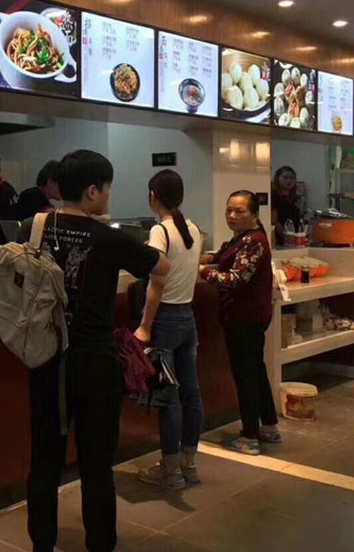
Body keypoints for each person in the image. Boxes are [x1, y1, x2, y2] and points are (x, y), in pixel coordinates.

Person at [24, 150, 169, 552]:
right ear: (92, 191)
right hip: (95, 363)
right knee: (96, 465)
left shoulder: (34, 227)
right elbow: (162, 267)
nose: (108, 195)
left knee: (44, 460)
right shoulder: (110, 238)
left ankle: (42, 545)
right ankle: (100, 544)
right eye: (107, 188)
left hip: (46, 359)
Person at [134, 170, 204, 490]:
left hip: (165, 320)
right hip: (188, 317)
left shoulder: (160, 231)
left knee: (169, 399)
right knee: (192, 394)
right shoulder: (193, 229)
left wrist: (144, 326)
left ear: (153, 197)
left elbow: (157, 283)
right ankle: (189, 464)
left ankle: (170, 470)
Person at [201, 190, 279, 456]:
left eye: (239, 211)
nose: (232, 216)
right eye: (229, 210)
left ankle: (249, 437)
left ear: (254, 215)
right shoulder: (241, 238)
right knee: (256, 371)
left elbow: (235, 279)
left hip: (245, 318)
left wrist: (203, 272)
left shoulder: (254, 241)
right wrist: (202, 259)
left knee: (246, 375)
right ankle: (268, 426)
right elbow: (221, 256)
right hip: (247, 317)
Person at [271, 165, 301, 246]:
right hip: (280, 238)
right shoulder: (274, 197)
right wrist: (286, 236)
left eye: (292, 178)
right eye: (285, 177)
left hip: (293, 236)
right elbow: (274, 221)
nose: (289, 180)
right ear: (278, 178)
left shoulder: (292, 197)